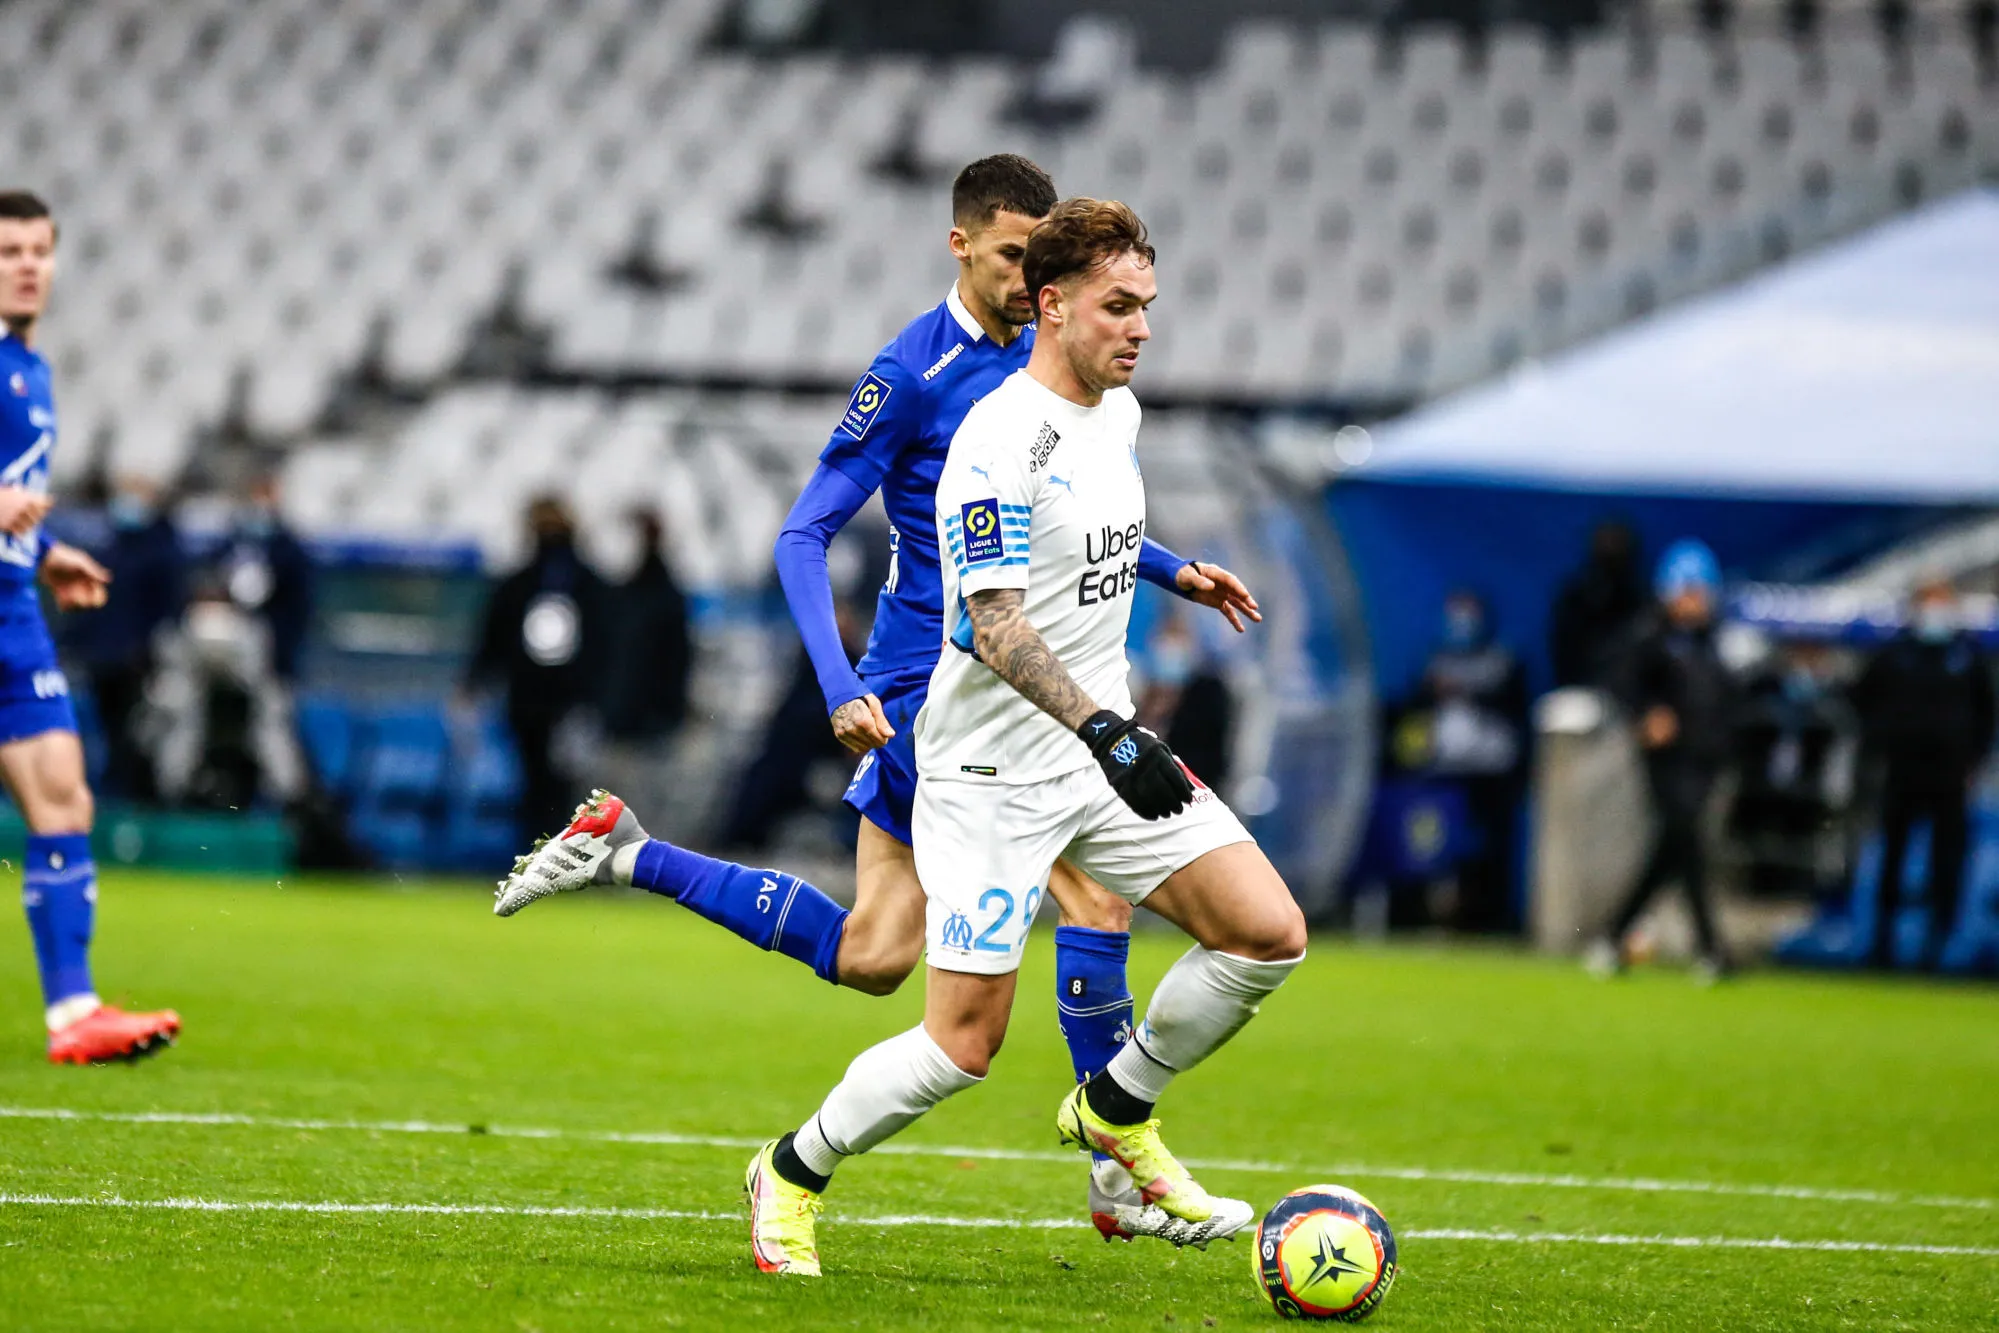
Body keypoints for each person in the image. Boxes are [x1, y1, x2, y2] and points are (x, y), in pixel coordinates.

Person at [493, 160, 1258, 1241]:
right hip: (940, 686)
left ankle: (629, 851)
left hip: (1015, 681)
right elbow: (802, 532)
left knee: (873, 954)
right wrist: (840, 682)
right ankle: (1115, 1172)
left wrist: (1170, 567)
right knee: (1087, 905)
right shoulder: (915, 372)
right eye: (1009, 254)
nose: (1029, 271)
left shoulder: (1058, 367)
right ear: (960, 246)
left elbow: (1069, 516)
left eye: (1042, 255)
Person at [741, 197, 1307, 1277]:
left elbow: (1095, 541)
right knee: (962, 1046)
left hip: (1097, 752)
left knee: (1265, 931)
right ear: (1051, 306)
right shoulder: (993, 441)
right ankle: (791, 1169)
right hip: (992, 768)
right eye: (1117, 307)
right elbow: (990, 623)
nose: (1140, 327)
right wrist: (1109, 729)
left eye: (1146, 306)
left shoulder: (1120, 416)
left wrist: (1170, 571)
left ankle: (1114, 1105)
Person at [0, 190, 179, 1062]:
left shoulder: (31, 370)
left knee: (65, 795)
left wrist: (45, 551)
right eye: (8, 251)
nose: (27, 264)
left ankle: (73, 1013)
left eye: (39, 249)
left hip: (12, 609)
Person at [1586, 539, 1739, 981]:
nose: (1693, 601)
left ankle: (1614, 936)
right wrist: (1644, 716)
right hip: (1669, 760)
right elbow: (1620, 684)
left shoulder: (1717, 642)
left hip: (1706, 758)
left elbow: (1729, 699)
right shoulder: (1649, 637)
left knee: (1674, 850)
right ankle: (1710, 948)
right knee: (1684, 839)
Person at [1849, 580, 1995, 970]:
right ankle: (1881, 940)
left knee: (1946, 859)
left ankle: (1940, 944)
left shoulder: (1966, 655)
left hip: (1950, 774)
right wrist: (1881, 744)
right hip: (1901, 770)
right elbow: (1863, 701)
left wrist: (1972, 760)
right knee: (1892, 856)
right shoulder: (1896, 654)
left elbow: (1985, 714)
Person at [465, 496, 610, 830]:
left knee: (556, 785)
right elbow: (495, 636)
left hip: (562, 701)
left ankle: (550, 852)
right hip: (540, 700)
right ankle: (544, 852)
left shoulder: (572, 585)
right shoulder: (532, 583)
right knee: (542, 783)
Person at [1411, 590, 1529, 932]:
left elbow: (1514, 709)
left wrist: (1467, 690)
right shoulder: (1436, 659)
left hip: (1491, 771)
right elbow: (1417, 706)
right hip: (1444, 770)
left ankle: (1490, 917)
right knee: (1439, 846)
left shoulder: (1503, 659)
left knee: (1491, 848)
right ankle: (1437, 914)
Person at [64, 475, 185, 802]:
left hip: (137, 662)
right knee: (107, 732)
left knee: (136, 735)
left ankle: (135, 803)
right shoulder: (111, 547)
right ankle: (113, 800)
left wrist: (147, 651)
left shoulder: (160, 551)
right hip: (103, 659)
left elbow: (166, 609)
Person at [601, 509, 690, 746]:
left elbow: (675, 661)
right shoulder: (616, 594)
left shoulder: (657, 597)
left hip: (647, 726)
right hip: (621, 723)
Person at [1550, 521, 1647, 689]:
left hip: (1633, 697)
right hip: (1584, 692)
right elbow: (1564, 658)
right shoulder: (1575, 598)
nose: (1611, 555)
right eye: (1605, 548)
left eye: (1617, 547)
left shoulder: (1642, 601)